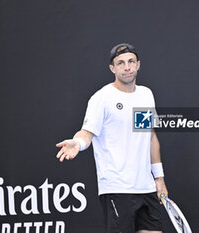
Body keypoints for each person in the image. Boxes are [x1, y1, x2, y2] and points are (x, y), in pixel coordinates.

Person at [56, 43, 168, 233]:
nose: (127, 67)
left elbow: (149, 137)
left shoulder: (145, 95)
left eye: (131, 62)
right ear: (112, 68)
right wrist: (77, 143)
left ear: (138, 64)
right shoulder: (102, 98)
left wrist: (159, 178)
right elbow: (87, 133)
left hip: (146, 188)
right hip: (117, 189)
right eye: (121, 63)